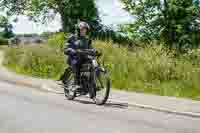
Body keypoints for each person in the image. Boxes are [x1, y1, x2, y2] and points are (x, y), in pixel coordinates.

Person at [62, 21, 93, 87]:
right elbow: (66, 48)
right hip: (74, 58)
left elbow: (90, 49)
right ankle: (77, 84)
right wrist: (72, 51)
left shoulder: (87, 40)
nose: (83, 31)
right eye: (82, 30)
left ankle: (91, 83)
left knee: (94, 64)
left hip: (84, 58)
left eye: (85, 30)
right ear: (78, 30)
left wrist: (94, 51)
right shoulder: (72, 38)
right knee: (77, 63)